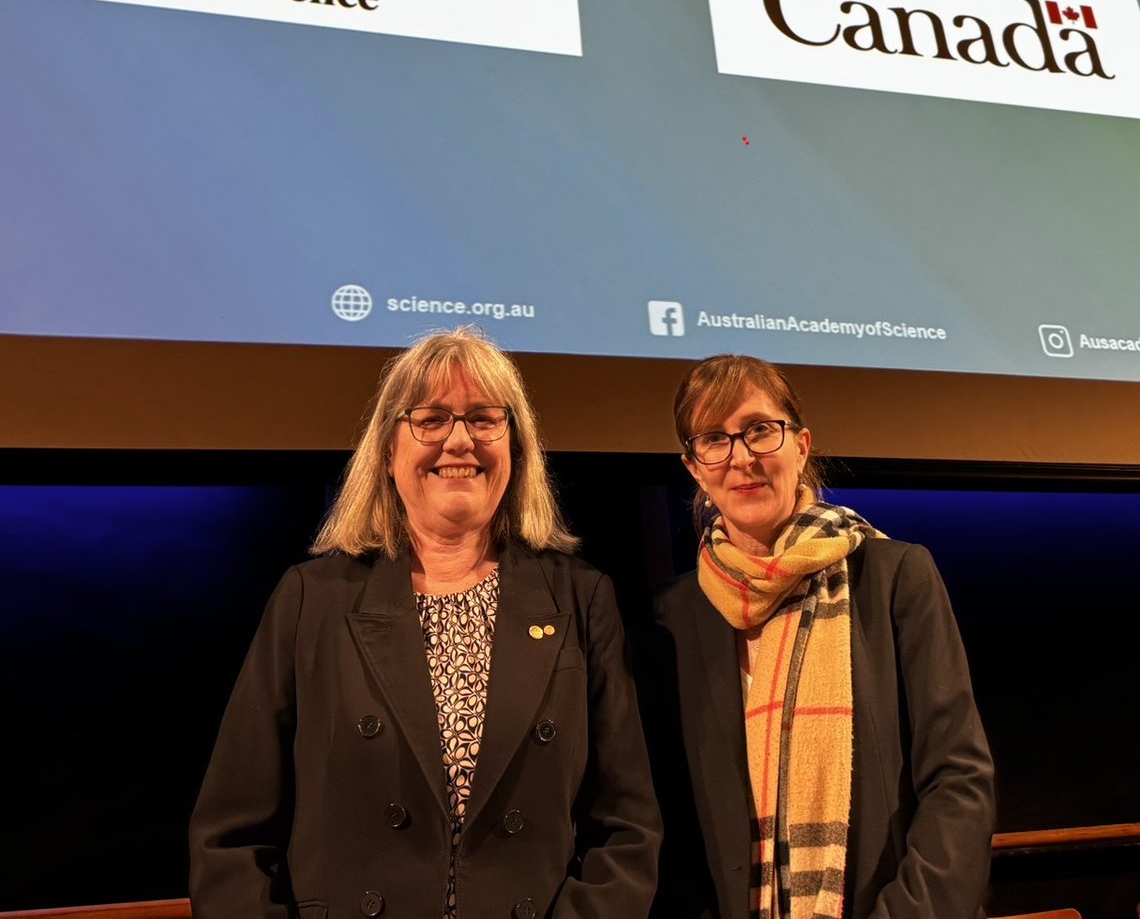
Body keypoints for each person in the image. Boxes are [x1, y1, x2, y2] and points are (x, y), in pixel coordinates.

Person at [190, 327, 661, 919]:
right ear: (388, 453)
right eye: (431, 419)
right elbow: (230, 840)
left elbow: (627, 829)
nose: (460, 441)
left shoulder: (581, 598)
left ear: (516, 450)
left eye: (484, 419)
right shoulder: (311, 600)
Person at [648, 354, 994, 919]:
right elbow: (667, 820)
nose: (742, 458)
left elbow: (958, 780)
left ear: (801, 446)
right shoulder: (671, 616)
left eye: (760, 430)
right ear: (694, 468)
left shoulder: (894, 576)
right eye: (714, 439)